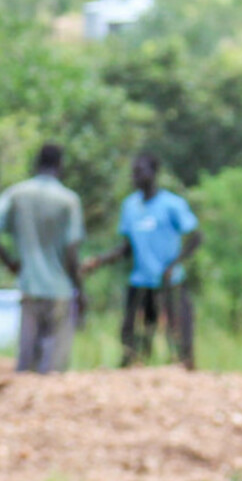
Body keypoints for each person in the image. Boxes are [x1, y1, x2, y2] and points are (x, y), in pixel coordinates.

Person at [83, 152, 201, 368]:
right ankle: (133, 369)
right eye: (133, 173)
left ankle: (186, 369)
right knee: (134, 332)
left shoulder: (172, 204)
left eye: (140, 173)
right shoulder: (130, 206)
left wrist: (174, 265)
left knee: (179, 331)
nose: (135, 178)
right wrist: (99, 261)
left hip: (170, 281)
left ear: (153, 173)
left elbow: (195, 237)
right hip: (140, 280)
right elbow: (127, 247)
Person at [0, 142, 85, 373]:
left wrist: (8, 262)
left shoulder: (18, 193)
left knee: (27, 363)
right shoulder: (69, 200)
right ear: (60, 164)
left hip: (29, 284)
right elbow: (72, 250)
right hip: (60, 289)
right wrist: (80, 290)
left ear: (37, 163)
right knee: (53, 367)